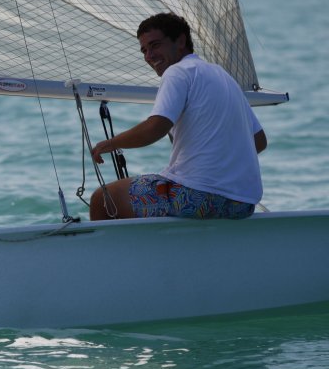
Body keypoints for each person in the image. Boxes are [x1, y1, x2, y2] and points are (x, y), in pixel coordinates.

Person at [90, 12, 267, 220]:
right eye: (144, 50)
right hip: (242, 204)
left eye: (155, 45)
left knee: (103, 198)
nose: (149, 56)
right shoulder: (223, 76)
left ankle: (116, 254)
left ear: (181, 41)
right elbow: (259, 141)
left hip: (197, 198)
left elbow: (156, 127)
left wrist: (108, 145)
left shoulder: (177, 72)